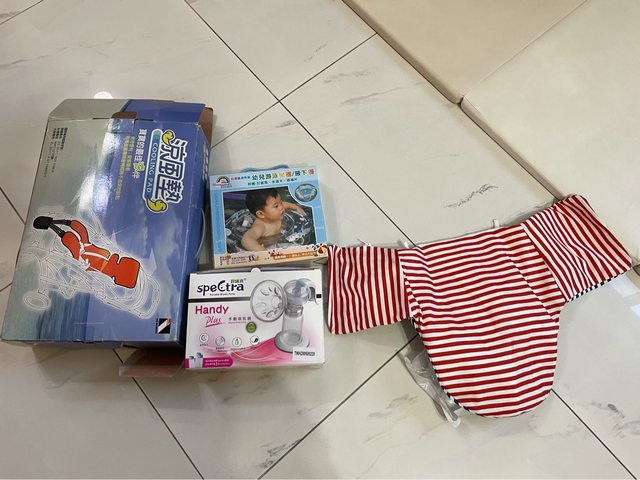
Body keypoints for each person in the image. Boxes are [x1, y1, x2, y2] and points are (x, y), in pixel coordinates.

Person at [241, 188, 305, 251]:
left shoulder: (278, 210)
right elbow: (246, 240)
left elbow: (288, 205)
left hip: (281, 239)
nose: (281, 207)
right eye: (276, 206)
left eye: (281, 202)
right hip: (268, 247)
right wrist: (265, 253)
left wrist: (297, 208)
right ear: (261, 214)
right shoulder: (261, 226)